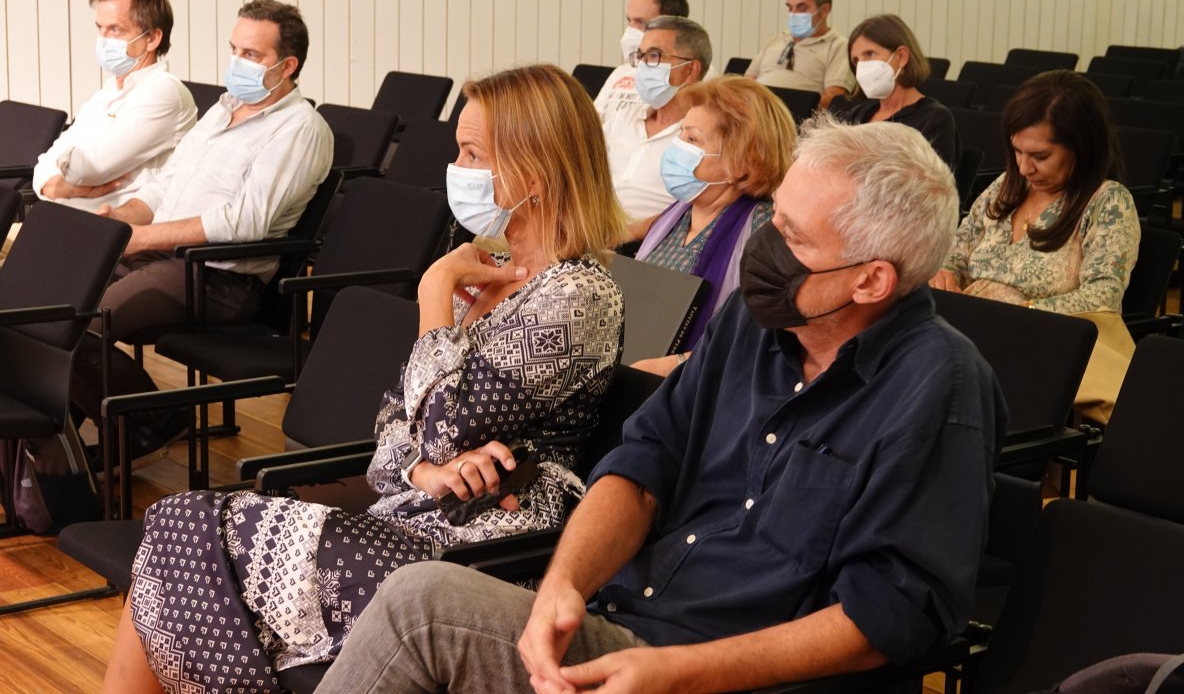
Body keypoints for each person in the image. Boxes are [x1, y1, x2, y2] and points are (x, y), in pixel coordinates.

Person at [313, 115, 1008, 694]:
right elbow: (644, 464)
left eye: (792, 237)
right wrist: (563, 587)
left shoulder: (940, 389)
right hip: (630, 630)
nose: (764, 246)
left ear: (871, 281)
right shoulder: (753, 323)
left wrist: (677, 673)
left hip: (732, 674)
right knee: (415, 601)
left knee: (419, 608)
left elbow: (892, 613)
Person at [101, 64, 627, 694]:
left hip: (490, 552)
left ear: (535, 171)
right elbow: (392, 435)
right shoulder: (490, 271)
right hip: (414, 514)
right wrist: (426, 471)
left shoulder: (576, 294)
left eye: (472, 153)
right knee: (177, 527)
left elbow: (442, 425)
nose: (454, 168)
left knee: (179, 529)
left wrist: (435, 289)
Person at [71, 0, 334, 463]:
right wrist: (120, 221)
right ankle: (61, 446)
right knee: (49, 313)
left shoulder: (301, 128)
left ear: (287, 65)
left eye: (252, 55)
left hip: (217, 278)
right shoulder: (223, 109)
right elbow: (164, 187)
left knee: (80, 330)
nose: (237, 62)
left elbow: (245, 222)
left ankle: (156, 422)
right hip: (164, 256)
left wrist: (141, 239)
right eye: (235, 49)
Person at [930, 70, 1140, 423]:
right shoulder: (1006, 187)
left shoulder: (1107, 202)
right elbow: (956, 254)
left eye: (1040, 156)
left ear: (1082, 147)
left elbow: (1104, 297)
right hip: (974, 336)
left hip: (1039, 350)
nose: (1025, 167)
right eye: (1016, 151)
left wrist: (1020, 309)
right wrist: (945, 272)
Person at [627, 75, 796, 374]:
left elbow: (760, 341)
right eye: (681, 134)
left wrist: (678, 365)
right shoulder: (679, 212)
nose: (677, 147)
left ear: (742, 162)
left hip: (697, 382)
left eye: (692, 139)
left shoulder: (764, 230)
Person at [32, 0, 197, 211]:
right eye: (100, 28)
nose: (103, 39)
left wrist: (60, 173)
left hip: (113, 232)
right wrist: (53, 183)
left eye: (115, 29)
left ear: (152, 38)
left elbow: (86, 169)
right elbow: (47, 160)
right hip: (63, 217)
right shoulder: (110, 90)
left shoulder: (164, 92)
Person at [605, 15, 711, 222]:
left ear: (689, 70)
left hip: (639, 246)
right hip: (589, 231)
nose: (643, 65)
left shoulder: (705, 136)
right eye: (641, 55)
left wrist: (623, 236)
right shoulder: (625, 116)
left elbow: (694, 216)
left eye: (654, 56)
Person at [838, 13, 960, 168]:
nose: (861, 66)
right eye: (856, 60)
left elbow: (930, 184)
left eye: (869, 54)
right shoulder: (858, 114)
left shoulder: (933, 119)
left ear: (901, 57)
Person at [745, 0, 854, 109]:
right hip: (754, 113)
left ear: (824, 10)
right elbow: (746, 83)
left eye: (802, 8)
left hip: (798, 118)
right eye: (790, 8)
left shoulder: (838, 47)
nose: (794, 14)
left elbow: (833, 98)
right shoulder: (777, 40)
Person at [594, 0, 691, 123]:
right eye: (629, 20)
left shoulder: (688, 71)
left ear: (670, 24)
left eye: (640, 22)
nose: (630, 30)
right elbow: (593, 122)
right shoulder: (622, 71)